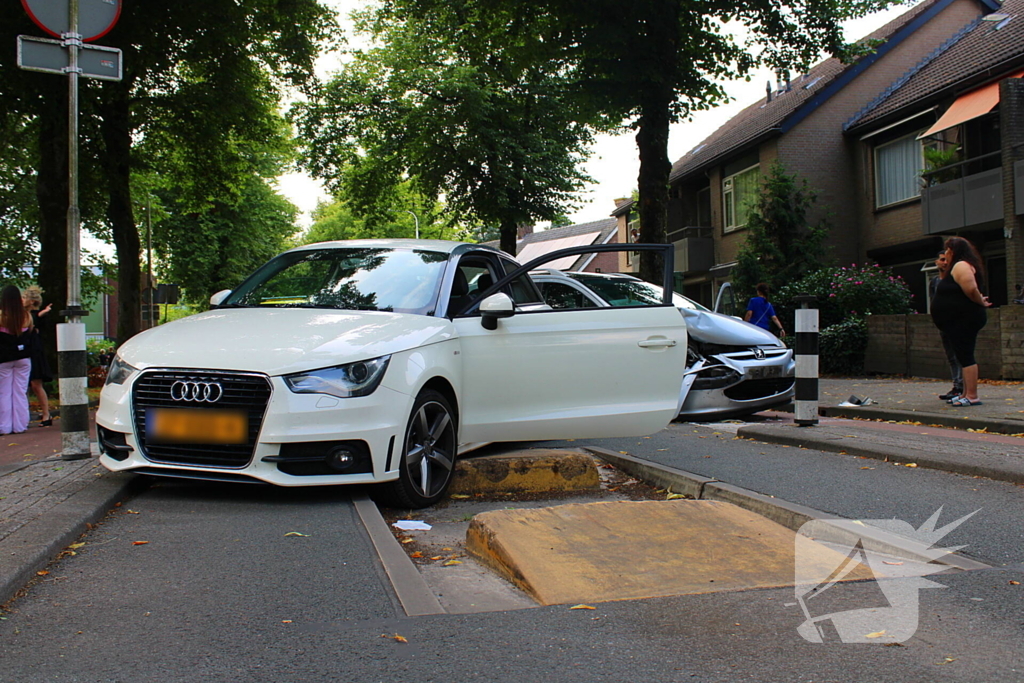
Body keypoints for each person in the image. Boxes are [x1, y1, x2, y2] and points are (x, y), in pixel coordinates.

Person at [930, 236, 991, 406]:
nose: (946, 254)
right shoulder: (955, 267)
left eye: (948, 251)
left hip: (964, 319)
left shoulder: (961, 265)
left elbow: (971, 289)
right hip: (956, 321)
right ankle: (965, 393)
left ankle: (972, 395)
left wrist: (981, 302)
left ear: (954, 251)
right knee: (962, 356)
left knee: (966, 356)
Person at [929, 251, 963, 402]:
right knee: (951, 357)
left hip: (957, 323)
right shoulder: (934, 282)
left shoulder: (955, 279)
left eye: (947, 260)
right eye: (942, 259)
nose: (944, 262)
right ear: (936, 262)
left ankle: (961, 387)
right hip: (943, 324)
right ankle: (956, 385)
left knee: (960, 356)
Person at [0, 285, 34, 435]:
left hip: (4, 359)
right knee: (20, 391)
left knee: (4, 392)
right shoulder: (26, 316)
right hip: (24, 358)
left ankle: (4, 426)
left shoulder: (1, 316)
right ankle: (20, 425)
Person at [22, 285, 53, 426]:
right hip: (25, 350)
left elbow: (36, 319)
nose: (21, 300)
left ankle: (46, 414)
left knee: (36, 384)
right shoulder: (22, 314)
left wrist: (43, 312)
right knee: (24, 385)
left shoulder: (35, 315)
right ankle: (23, 415)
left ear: (31, 301)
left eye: (24, 297)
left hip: (33, 350)